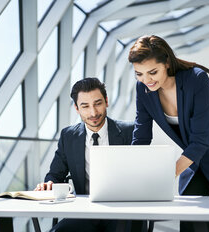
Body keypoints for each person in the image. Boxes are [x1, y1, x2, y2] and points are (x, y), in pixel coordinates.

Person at [128, 35, 209, 232]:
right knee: (191, 220)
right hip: (196, 158)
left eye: (152, 72)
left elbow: (200, 139)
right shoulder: (143, 89)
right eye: (139, 74)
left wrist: (164, 175)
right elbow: (141, 135)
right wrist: (130, 172)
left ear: (167, 63)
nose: (146, 80)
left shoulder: (195, 79)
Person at [34, 77, 137, 232]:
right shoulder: (68, 136)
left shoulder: (130, 132)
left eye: (98, 103)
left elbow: (141, 174)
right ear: (77, 108)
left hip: (122, 211)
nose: (93, 112)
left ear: (106, 101)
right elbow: (55, 175)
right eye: (85, 106)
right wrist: (49, 184)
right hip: (85, 212)